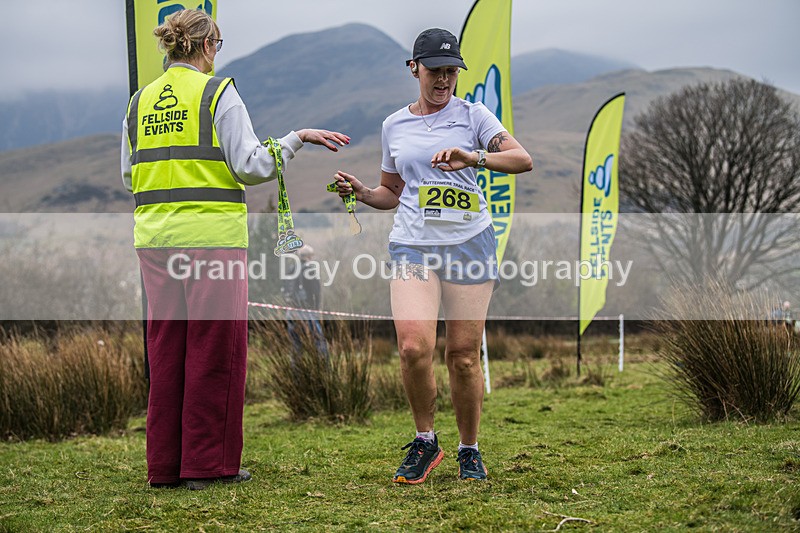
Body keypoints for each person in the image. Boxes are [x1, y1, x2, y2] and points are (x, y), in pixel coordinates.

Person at [120, 9, 349, 490]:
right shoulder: (218, 93)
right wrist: (295, 139)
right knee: (214, 348)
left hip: (154, 241)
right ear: (207, 45)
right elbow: (251, 166)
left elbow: (128, 174)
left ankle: (164, 467)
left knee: (166, 350)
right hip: (212, 241)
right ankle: (207, 466)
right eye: (217, 46)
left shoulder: (138, 102)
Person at [333, 28, 532, 483]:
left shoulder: (474, 115)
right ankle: (426, 441)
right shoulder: (393, 125)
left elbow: (523, 160)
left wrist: (473, 157)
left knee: (462, 356)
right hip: (413, 244)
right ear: (414, 69)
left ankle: (469, 449)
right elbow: (391, 192)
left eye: (451, 72)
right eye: (435, 71)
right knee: (412, 347)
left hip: (469, 243)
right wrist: (362, 192)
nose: (443, 80)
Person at [282, 245, 328, 357]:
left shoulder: (291, 269)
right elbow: (316, 292)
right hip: (306, 312)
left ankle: (296, 367)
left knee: (296, 345)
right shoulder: (310, 270)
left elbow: (284, 288)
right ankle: (324, 366)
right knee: (319, 341)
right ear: (309, 256)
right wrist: (316, 309)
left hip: (291, 312)